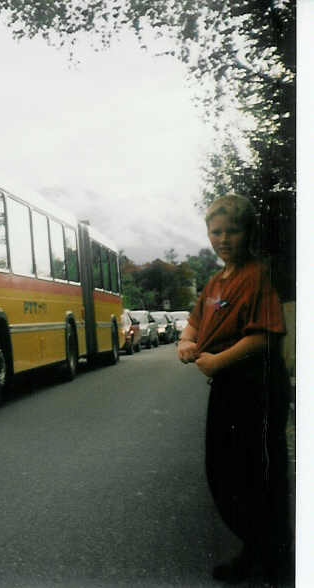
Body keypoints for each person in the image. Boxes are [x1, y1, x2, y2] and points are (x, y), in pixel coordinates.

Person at [176, 194, 291, 584]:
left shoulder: (259, 275)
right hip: (226, 385)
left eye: (232, 231)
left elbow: (264, 338)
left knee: (255, 474)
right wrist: (185, 344)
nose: (223, 239)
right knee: (223, 472)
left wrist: (215, 361)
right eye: (216, 231)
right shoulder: (214, 280)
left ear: (248, 232)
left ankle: (271, 556)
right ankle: (257, 546)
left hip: (256, 384)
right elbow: (193, 323)